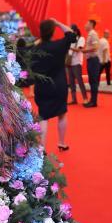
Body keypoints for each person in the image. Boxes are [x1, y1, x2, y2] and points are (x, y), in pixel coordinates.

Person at [32, 18, 76, 150]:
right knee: (62, 113)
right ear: (53, 31)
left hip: (42, 86)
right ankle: (61, 143)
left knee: (43, 117)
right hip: (59, 86)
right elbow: (72, 35)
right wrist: (57, 23)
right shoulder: (59, 45)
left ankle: (42, 149)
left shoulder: (36, 49)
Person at [65, 24, 87, 104]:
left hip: (77, 62)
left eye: (71, 31)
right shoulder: (70, 40)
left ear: (76, 31)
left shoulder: (81, 38)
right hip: (69, 62)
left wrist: (69, 47)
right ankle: (74, 99)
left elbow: (79, 49)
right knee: (71, 82)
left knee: (79, 80)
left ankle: (85, 98)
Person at [83, 19, 102, 108]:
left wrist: (84, 50)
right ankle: (92, 100)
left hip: (93, 60)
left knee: (93, 81)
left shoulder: (93, 34)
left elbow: (95, 47)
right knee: (92, 81)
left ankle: (94, 101)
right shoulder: (90, 34)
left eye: (86, 23)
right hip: (91, 60)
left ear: (91, 24)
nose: (85, 25)